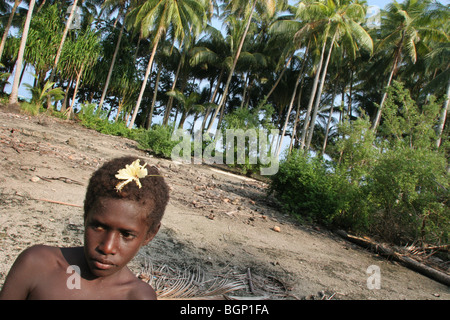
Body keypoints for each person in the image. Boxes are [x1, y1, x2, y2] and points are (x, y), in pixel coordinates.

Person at [0, 156, 169, 300]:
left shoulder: (137, 296)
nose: (107, 247)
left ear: (150, 235)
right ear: (86, 215)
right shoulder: (37, 264)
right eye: (98, 227)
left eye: (126, 234)